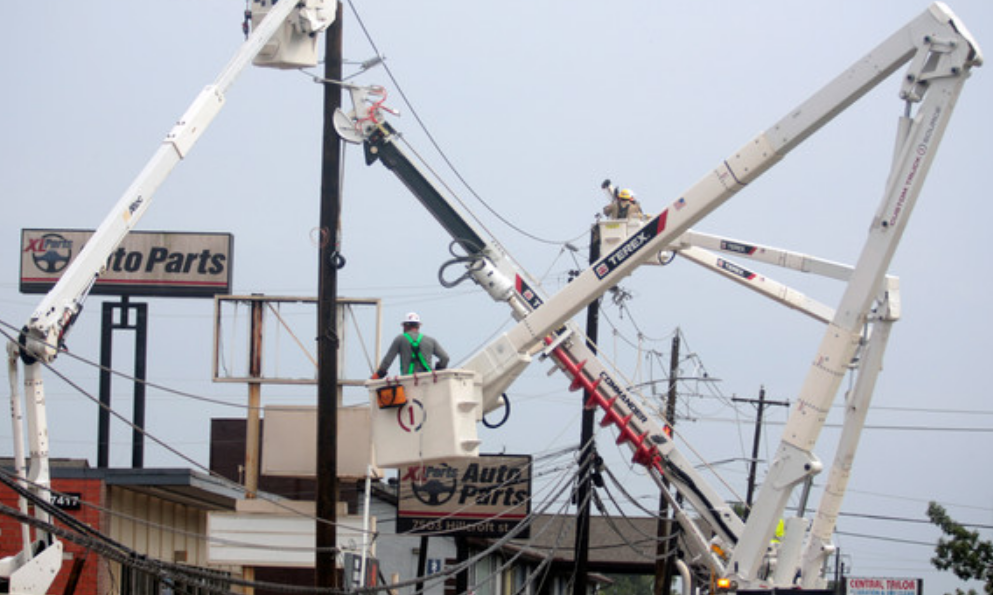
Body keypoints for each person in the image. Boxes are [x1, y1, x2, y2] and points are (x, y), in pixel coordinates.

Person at [374, 312, 450, 378]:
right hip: (428, 379)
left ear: (405, 326)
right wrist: (439, 369)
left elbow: (387, 361)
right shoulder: (431, 340)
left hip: (408, 381)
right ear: (418, 326)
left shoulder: (400, 339)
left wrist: (378, 375)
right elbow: (445, 358)